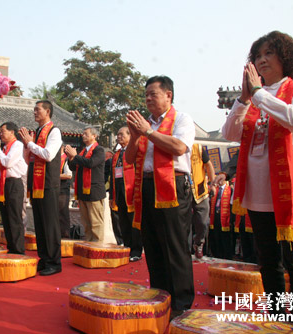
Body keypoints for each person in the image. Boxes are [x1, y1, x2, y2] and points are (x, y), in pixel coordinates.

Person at [221, 31, 293, 326]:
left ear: (285, 57)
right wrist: (243, 98)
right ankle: (278, 319)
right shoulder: (253, 99)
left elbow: (292, 118)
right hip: (258, 193)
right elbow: (229, 134)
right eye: (257, 56)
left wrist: (258, 93)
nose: (262, 60)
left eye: (269, 53)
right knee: (267, 261)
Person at [125, 75, 195, 318]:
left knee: (175, 245)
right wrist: (136, 136)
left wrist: (148, 131)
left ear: (169, 95)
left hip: (172, 185)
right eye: (146, 95)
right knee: (153, 244)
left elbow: (178, 147)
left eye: (153, 94)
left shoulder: (182, 119)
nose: (148, 99)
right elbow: (129, 159)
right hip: (146, 186)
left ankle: (181, 303)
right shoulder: (145, 124)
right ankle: (160, 295)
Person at [19, 100, 62, 276]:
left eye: (38, 109)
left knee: (50, 224)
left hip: (48, 184)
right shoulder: (37, 132)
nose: (34, 112)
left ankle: (54, 262)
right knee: (40, 223)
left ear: (48, 112)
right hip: (36, 184)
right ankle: (44, 259)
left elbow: (48, 155)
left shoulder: (54, 131)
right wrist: (27, 146)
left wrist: (30, 143)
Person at [66, 127, 106, 242]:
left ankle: (97, 247)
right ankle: (89, 245)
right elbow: (73, 167)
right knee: (86, 222)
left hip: (94, 191)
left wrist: (76, 156)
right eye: (83, 133)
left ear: (94, 136)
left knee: (96, 222)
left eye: (86, 134)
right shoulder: (83, 151)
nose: (83, 135)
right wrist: (71, 158)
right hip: (82, 191)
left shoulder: (99, 150)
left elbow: (91, 163)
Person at [109, 127, 143, 261]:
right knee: (122, 222)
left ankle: (136, 251)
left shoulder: (134, 151)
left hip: (132, 192)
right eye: (117, 134)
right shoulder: (116, 154)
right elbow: (113, 176)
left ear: (130, 136)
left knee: (133, 222)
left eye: (122, 134)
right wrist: (112, 196)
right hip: (119, 192)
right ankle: (127, 247)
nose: (119, 137)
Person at [0, 122, 27, 254]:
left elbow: (8, 162)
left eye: (3, 131)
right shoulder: (4, 148)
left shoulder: (17, 145)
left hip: (14, 183)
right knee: (6, 218)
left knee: (14, 217)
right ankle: (11, 248)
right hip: (3, 184)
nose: (0, 134)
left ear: (12, 132)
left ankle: (18, 250)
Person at [190, 143, 215, 258]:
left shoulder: (198, 148)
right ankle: (184, 249)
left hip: (200, 191)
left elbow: (209, 165)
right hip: (183, 191)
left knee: (202, 221)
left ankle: (199, 242)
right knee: (183, 223)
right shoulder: (174, 145)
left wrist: (212, 183)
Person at [59, 146, 72, 239]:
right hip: (55, 188)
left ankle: (65, 235)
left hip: (63, 189)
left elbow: (68, 175)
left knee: (63, 213)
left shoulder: (66, 159)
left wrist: (55, 175)